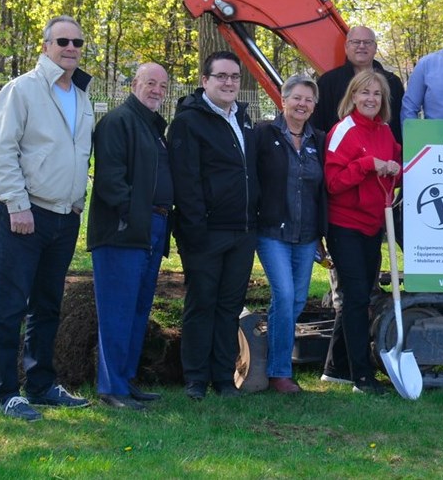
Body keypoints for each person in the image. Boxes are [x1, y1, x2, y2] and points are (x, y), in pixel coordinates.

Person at [0, 15, 94, 421]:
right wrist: (17, 205)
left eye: (77, 42)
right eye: (62, 41)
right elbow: (0, 149)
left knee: (47, 306)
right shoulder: (22, 90)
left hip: (64, 218)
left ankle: (41, 385)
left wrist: (77, 203)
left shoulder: (81, 96)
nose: (70, 48)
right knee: (9, 306)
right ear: (45, 46)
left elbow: (79, 154)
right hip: (24, 215)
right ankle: (4, 393)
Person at [313, 24, 404, 385]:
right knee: (354, 299)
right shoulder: (343, 131)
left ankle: (335, 369)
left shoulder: (384, 131)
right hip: (345, 226)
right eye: (365, 93)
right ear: (353, 96)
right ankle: (361, 377)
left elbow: (396, 169)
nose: (371, 98)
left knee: (360, 296)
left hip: (372, 225)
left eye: (377, 94)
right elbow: (333, 183)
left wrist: (396, 170)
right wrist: (367, 165)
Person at [169, 50, 260, 400]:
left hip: (242, 230)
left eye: (234, 77)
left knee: (229, 305)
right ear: (205, 80)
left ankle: (223, 377)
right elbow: (186, 181)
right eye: (221, 76)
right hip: (205, 231)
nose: (229, 82)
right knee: (202, 303)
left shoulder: (244, 119)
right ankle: (195, 378)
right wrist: (195, 230)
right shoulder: (188, 122)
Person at [86, 62, 173, 410]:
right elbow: (110, 180)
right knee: (117, 311)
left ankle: (126, 379)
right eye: (150, 83)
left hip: (154, 226)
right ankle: (112, 388)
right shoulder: (117, 122)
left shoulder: (153, 127)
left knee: (138, 309)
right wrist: (134, 218)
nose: (157, 91)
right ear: (135, 83)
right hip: (123, 231)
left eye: (163, 86)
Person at [253, 74, 327, 394]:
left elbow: (322, 191)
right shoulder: (263, 134)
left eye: (308, 100)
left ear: (314, 106)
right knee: (284, 295)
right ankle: (279, 372)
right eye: (296, 97)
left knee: (295, 300)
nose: (302, 104)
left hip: (307, 234)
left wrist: (323, 234)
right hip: (272, 231)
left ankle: (269, 357)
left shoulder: (319, 140)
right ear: (283, 100)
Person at [314, 25, 404, 142]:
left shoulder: (393, 82)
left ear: (375, 48)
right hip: (340, 150)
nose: (361, 46)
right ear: (346, 47)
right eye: (356, 42)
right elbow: (317, 125)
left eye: (367, 42)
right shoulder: (328, 82)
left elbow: (399, 126)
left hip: (384, 149)